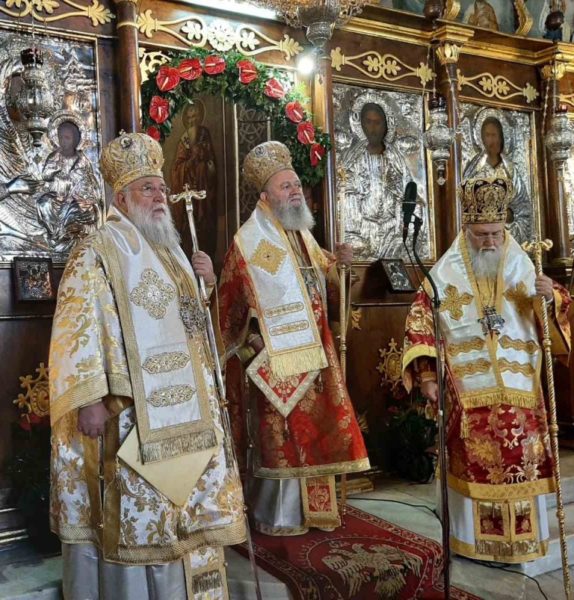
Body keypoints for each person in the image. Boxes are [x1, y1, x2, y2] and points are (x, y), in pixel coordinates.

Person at [49, 132, 246, 599]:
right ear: (121, 198)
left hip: (189, 413)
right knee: (141, 518)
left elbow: (190, 326)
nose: (160, 197)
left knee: (187, 514)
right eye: (147, 189)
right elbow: (76, 324)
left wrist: (205, 284)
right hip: (130, 413)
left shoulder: (171, 249)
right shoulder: (97, 249)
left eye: (161, 188)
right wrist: (90, 397)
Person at [402, 176, 571, 564]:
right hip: (469, 388)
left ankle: (522, 542)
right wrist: (427, 376)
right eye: (481, 235)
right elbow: (420, 318)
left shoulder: (522, 263)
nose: (490, 242)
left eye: (496, 233)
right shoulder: (446, 271)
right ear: (468, 230)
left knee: (522, 459)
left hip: (521, 386)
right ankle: (475, 545)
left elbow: (555, 311)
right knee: (475, 458)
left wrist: (552, 296)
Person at [218, 141, 370, 536]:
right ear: (266, 196)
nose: (296, 191)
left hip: (316, 353)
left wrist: (340, 267)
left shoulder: (303, 236)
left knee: (316, 431)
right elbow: (233, 302)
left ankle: (316, 512)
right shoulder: (251, 241)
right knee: (283, 440)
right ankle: (279, 515)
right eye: (286, 186)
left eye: (297, 185)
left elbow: (323, 283)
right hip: (276, 360)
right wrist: (254, 344)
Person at [340, 101, 424, 260]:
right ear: (361, 124)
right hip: (362, 230)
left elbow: (408, 194)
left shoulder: (395, 158)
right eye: (368, 122)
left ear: (386, 126)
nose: (373, 128)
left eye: (378, 123)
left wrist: (403, 228)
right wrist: (353, 233)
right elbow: (345, 192)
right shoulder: (353, 158)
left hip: (392, 230)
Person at [464, 115, 532, 244]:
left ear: (501, 137)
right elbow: (464, 200)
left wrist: (506, 215)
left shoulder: (510, 169)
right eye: (487, 135)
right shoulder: (475, 168)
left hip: (507, 234)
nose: (491, 140)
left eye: (494, 135)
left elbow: (522, 205)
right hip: (480, 234)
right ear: (481, 138)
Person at [39, 120, 102, 253]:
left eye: (67, 138)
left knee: (80, 211)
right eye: (61, 138)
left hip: (75, 198)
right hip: (56, 196)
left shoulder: (82, 160)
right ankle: (54, 234)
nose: (63, 141)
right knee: (43, 203)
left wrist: (86, 197)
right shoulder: (54, 156)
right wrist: (55, 167)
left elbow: (90, 182)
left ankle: (68, 235)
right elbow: (45, 175)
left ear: (76, 140)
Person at [170, 101, 217, 258]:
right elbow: (177, 169)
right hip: (187, 192)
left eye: (195, 116)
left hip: (205, 195)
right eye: (189, 117)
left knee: (205, 229)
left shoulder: (205, 135)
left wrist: (207, 167)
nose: (192, 120)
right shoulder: (184, 140)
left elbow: (212, 164)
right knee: (189, 231)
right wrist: (191, 162)